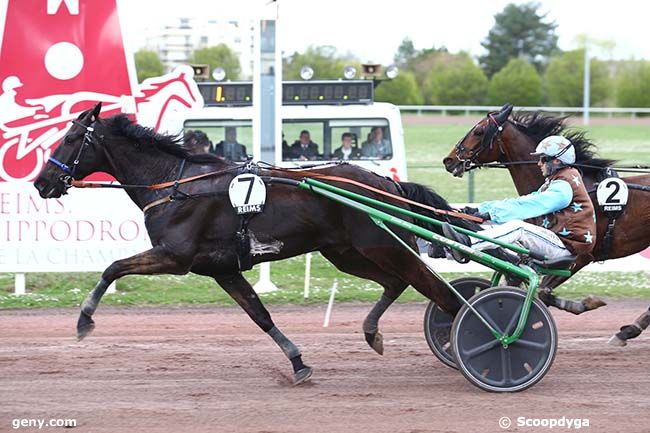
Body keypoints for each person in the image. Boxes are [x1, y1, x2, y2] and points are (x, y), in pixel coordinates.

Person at [443, 135, 597, 263]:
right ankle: (447, 247)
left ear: (556, 161)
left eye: (543, 159)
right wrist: (482, 210)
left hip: (565, 247)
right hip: (557, 241)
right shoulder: (556, 181)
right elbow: (523, 200)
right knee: (491, 222)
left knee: (518, 227)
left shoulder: (564, 186)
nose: (539, 164)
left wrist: (493, 213)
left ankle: (467, 246)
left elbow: (532, 206)